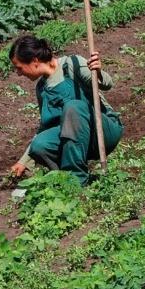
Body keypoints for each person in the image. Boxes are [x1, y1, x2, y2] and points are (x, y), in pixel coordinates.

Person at [8, 35, 123, 186]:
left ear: (35, 61)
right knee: (40, 145)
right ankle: (66, 178)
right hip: (77, 141)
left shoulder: (73, 64)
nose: (18, 73)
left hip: (103, 131)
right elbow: (45, 128)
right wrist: (23, 162)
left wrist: (98, 71)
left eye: (19, 67)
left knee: (73, 107)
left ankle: (76, 181)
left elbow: (107, 84)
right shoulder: (42, 88)